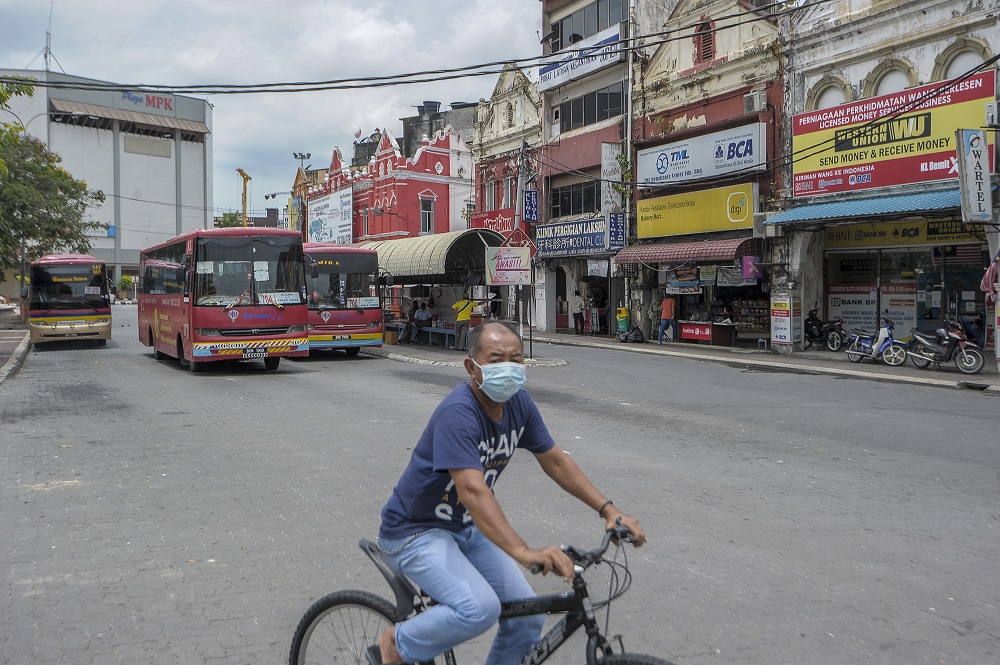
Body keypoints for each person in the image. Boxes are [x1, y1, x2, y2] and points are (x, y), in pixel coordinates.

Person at [369, 321, 645, 665]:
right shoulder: (459, 412)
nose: (508, 368)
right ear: (472, 367)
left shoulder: (520, 404)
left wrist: (608, 509)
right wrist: (524, 552)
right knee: (479, 608)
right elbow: (472, 490)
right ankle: (398, 643)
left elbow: (556, 461)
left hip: (465, 527)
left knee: (526, 615)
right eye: (496, 359)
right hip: (415, 531)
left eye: (516, 359)